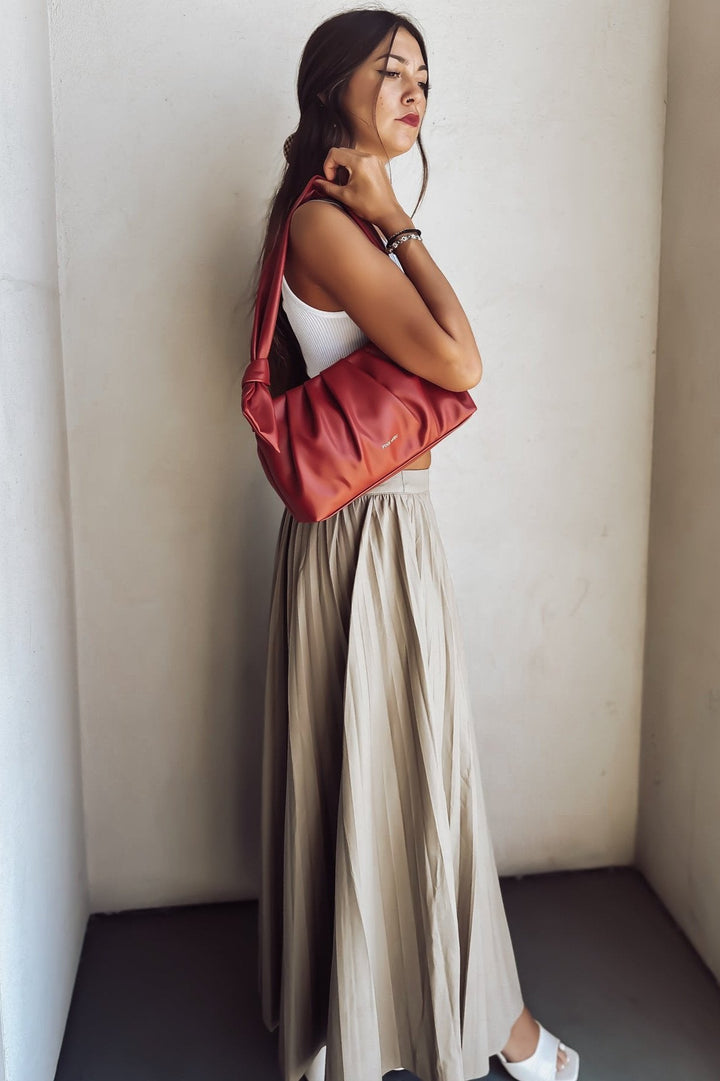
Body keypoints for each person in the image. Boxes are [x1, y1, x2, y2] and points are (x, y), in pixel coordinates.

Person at [251, 9, 580, 1081]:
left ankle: (362, 1025)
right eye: (390, 70)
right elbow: (458, 355)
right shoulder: (330, 222)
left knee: (391, 779)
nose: (414, 89)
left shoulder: (329, 216)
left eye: (424, 76)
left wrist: (387, 212)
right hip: (370, 539)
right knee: (412, 782)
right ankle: (506, 1038)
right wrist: (397, 215)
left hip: (371, 534)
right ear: (329, 88)